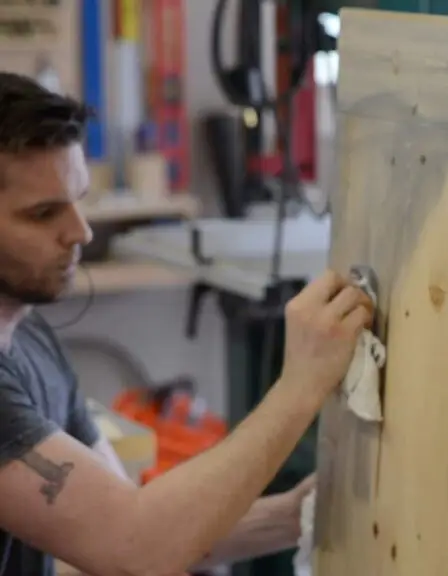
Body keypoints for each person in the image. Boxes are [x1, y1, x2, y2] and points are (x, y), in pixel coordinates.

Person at [0, 72, 374, 575]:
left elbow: (135, 526)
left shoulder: (27, 338)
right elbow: (135, 549)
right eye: (44, 214)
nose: (80, 231)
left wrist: (293, 516)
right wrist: (300, 385)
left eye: (78, 200)